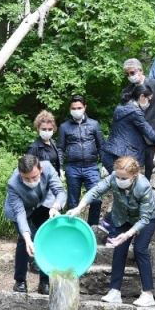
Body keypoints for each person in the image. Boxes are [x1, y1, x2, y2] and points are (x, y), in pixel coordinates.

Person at [67, 156, 155, 307]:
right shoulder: (113, 178)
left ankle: (148, 293)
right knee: (119, 249)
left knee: (140, 249)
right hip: (123, 216)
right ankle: (114, 291)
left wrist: (128, 234)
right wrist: (79, 208)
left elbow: (144, 219)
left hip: (146, 217)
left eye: (124, 178)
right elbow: (96, 191)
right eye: (117, 176)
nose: (119, 180)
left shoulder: (143, 187)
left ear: (134, 176)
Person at [3, 154, 66, 295]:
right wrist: (27, 238)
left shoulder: (48, 168)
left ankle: (45, 282)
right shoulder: (13, 184)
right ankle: (20, 281)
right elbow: (20, 214)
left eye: (34, 177)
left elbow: (60, 192)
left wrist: (56, 206)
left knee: (46, 239)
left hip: (42, 204)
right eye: (26, 178)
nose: (31, 181)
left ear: (40, 169)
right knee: (24, 241)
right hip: (20, 210)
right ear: (20, 174)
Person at [101, 84, 155, 174]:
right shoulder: (135, 112)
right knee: (127, 185)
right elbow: (152, 135)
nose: (149, 103)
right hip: (122, 157)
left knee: (119, 186)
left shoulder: (120, 109)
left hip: (109, 154)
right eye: (149, 99)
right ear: (141, 96)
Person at [58, 95, 103, 225]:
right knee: (72, 202)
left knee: (96, 199)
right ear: (70, 109)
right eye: (74, 108)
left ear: (85, 108)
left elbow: (102, 146)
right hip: (72, 167)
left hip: (92, 167)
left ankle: (92, 229)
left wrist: (105, 164)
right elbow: (60, 148)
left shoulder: (94, 124)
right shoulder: (64, 127)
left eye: (79, 107)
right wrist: (59, 167)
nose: (76, 110)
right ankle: (73, 230)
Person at [122, 58, 155, 180]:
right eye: (127, 74)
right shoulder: (126, 91)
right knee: (131, 173)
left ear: (141, 70)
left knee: (150, 174)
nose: (130, 76)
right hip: (133, 139)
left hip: (151, 136)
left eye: (132, 73)